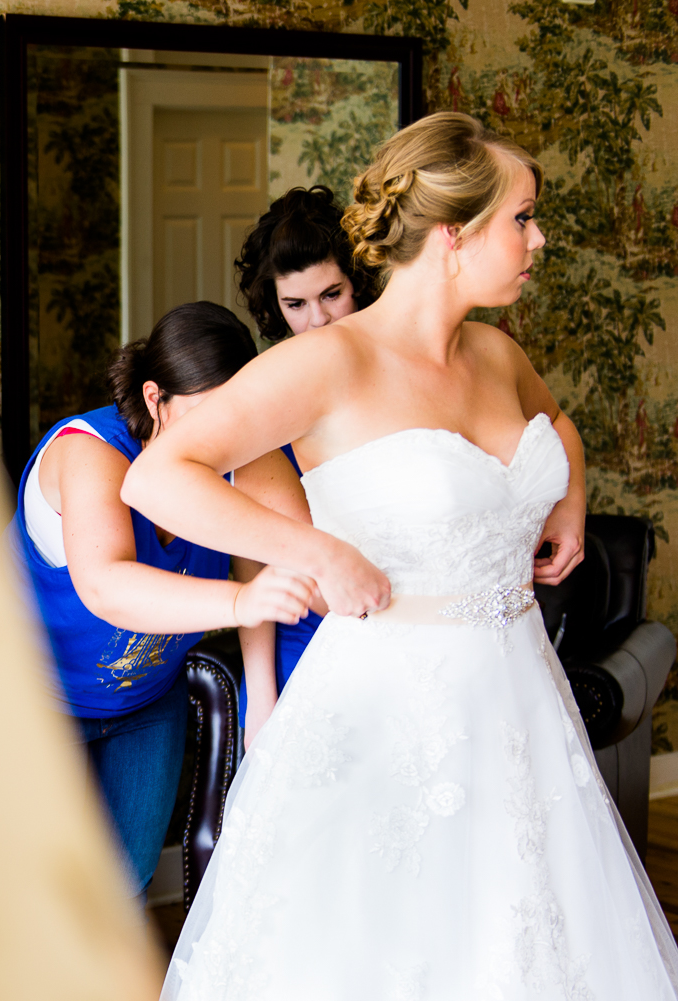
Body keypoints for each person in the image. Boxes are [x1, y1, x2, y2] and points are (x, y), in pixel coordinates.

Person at [123, 112, 678, 998]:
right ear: (455, 236)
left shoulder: (496, 354)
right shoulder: (328, 363)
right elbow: (159, 477)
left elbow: (557, 424)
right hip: (385, 709)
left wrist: (567, 501)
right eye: (523, 219)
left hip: (521, 704)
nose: (539, 240)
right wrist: (310, 550)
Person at [10, 301, 317, 897]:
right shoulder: (89, 452)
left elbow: (272, 555)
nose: (221, 437)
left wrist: (262, 701)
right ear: (155, 399)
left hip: (146, 701)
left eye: (237, 417)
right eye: (204, 415)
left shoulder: (240, 453)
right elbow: (107, 585)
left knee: (126, 884)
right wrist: (238, 603)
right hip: (32, 697)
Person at [231, 187, 379, 745]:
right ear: (274, 305)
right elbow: (253, 553)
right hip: (304, 633)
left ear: (359, 282)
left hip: (401, 614)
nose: (318, 320)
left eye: (332, 294)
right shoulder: (270, 392)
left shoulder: (400, 368)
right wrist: (262, 690)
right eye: (296, 305)